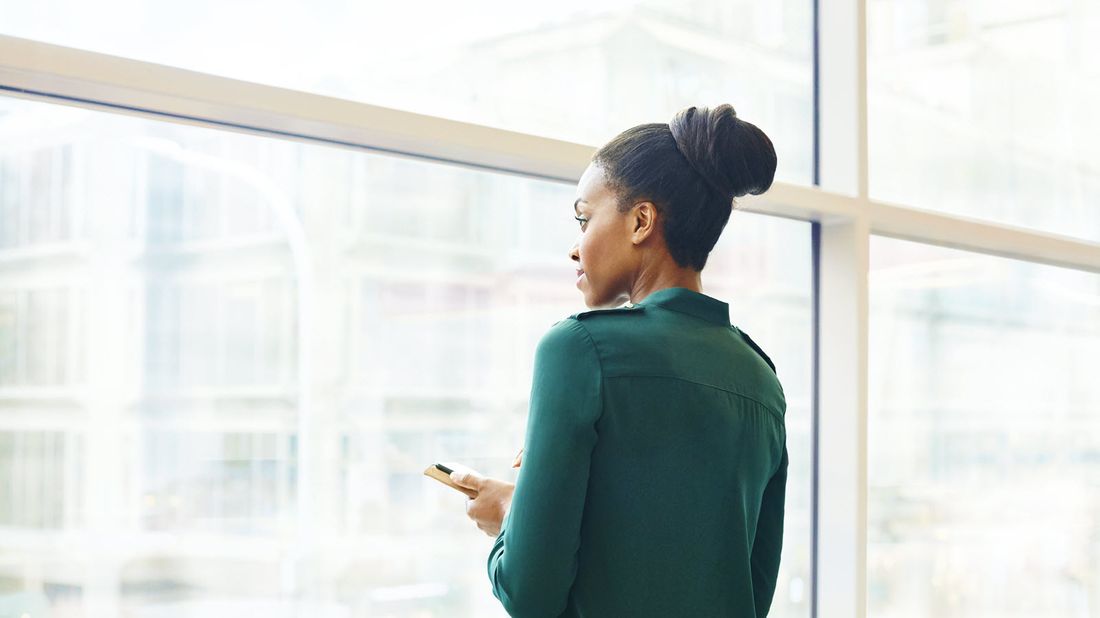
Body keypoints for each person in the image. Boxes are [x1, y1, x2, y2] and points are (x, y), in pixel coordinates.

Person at [450, 104, 787, 617]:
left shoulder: (579, 350)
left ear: (641, 221)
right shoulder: (762, 381)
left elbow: (530, 593)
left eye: (584, 218)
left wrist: (511, 515)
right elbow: (750, 593)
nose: (574, 247)